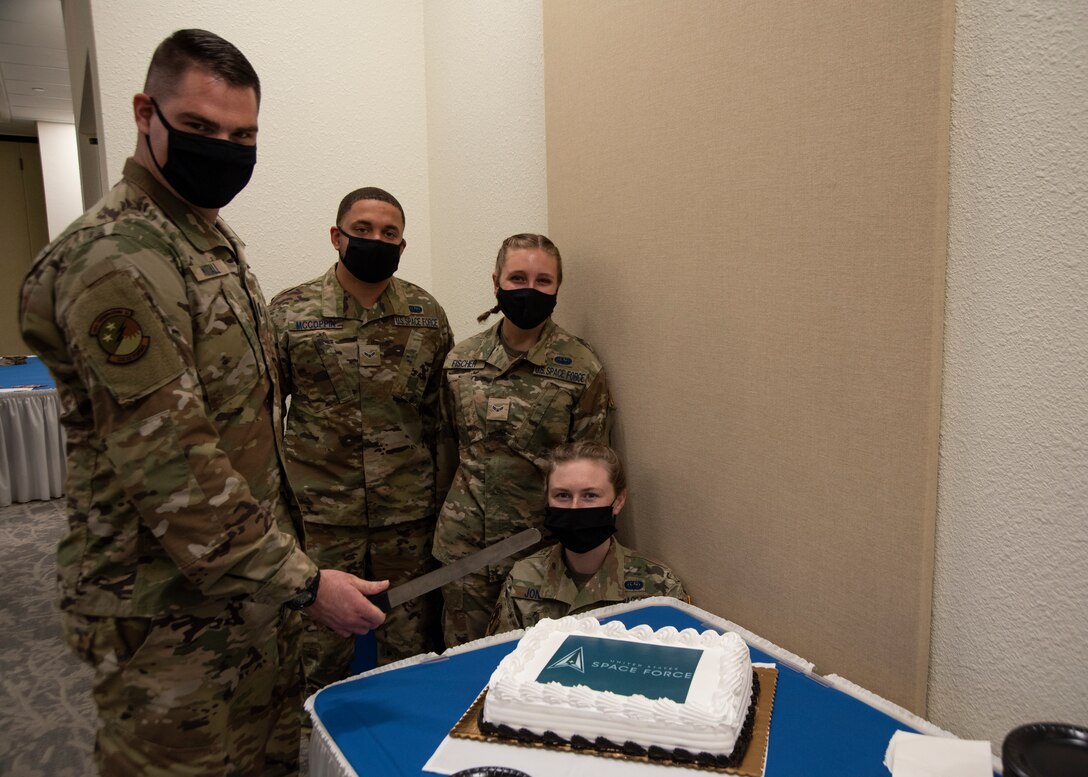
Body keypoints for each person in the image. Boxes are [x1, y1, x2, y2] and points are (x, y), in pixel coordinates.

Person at [19, 29, 387, 776]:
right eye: (199, 128)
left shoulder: (204, 242)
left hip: (237, 592)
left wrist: (283, 576)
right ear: (144, 112)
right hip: (161, 612)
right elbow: (173, 469)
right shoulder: (119, 257)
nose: (224, 148)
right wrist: (307, 584)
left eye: (242, 134)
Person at [269, 188, 452, 689]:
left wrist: (440, 504)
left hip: (407, 518)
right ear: (337, 236)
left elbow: (443, 419)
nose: (377, 240)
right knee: (318, 651)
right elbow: (264, 419)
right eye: (364, 230)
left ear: (402, 243)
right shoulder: (289, 312)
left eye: (389, 233)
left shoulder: (427, 315)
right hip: (322, 517)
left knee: (411, 650)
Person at [433, 233, 614, 647]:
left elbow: (593, 464)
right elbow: (444, 452)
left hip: (539, 555)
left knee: (531, 672)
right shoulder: (461, 360)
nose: (529, 289)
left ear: (556, 288)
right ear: (496, 282)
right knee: (466, 669)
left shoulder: (581, 366)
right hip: (464, 553)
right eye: (517, 278)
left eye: (542, 281)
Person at [488, 442, 688, 634]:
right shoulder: (524, 578)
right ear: (547, 499)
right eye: (562, 496)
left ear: (618, 501)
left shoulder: (658, 585)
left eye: (590, 495)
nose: (575, 508)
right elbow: (499, 660)